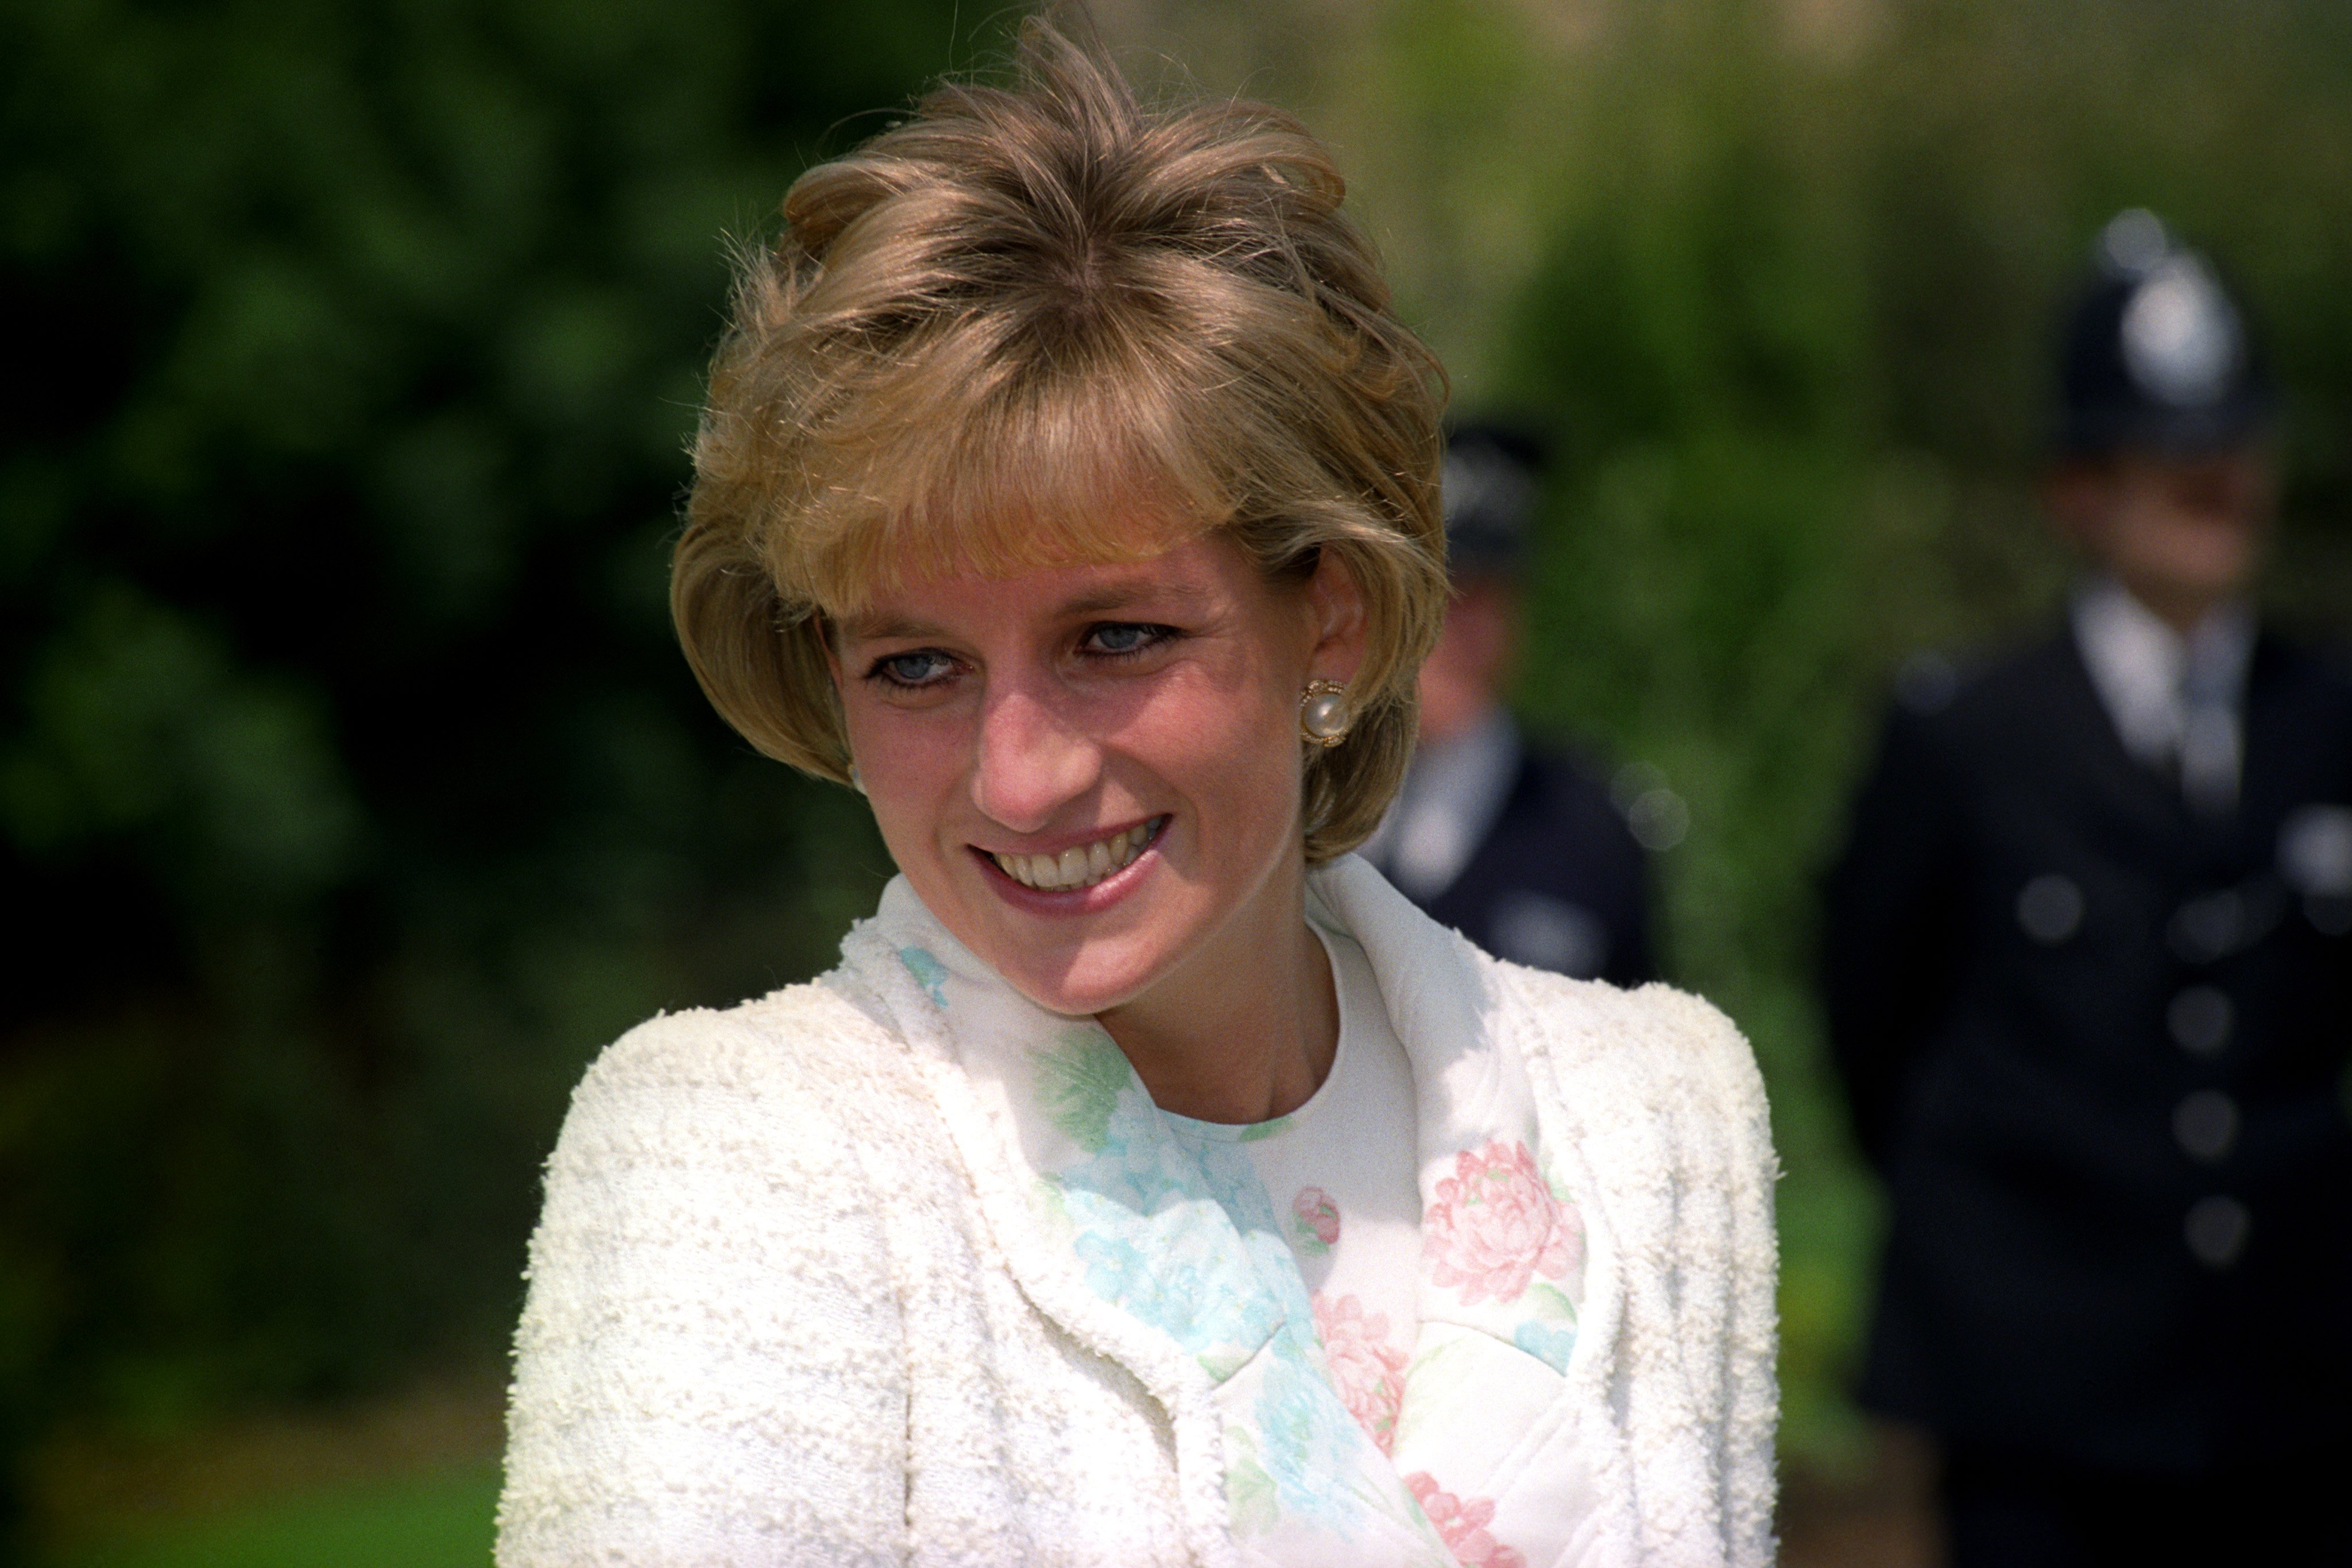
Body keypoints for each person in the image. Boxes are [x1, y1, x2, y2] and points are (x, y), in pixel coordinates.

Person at [497, 21, 1778, 1567]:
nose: (1019, 772)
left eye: (1115, 636)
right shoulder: (745, 1169)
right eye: (915, 666)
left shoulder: (1659, 1122)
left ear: (1334, 619)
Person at [1822, 208, 2352, 1566]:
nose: (2215, 481)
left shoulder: (2325, 720)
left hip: (2281, 1391)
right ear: (2079, 488)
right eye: (2170, 455)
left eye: (2233, 447)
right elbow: (1876, 1023)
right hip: (2035, 1388)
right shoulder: (1967, 736)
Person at [1361, 424, 1655, 986]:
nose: (1470, 631)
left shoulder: (1588, 829)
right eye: (1439, 593)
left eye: (1493, 596)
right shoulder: (1290, 804)